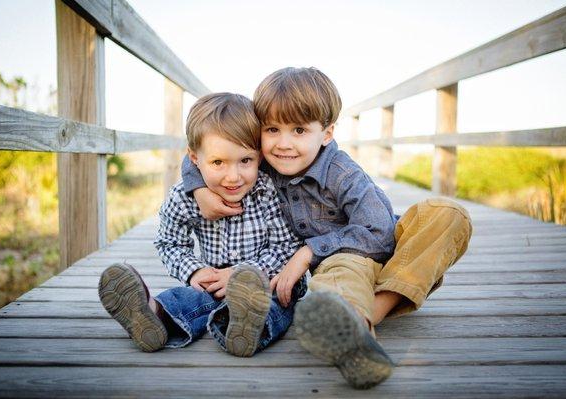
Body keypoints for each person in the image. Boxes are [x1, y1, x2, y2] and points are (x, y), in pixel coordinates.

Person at [180, 67, 473, 389]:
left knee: (446, 213)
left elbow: (379, 231)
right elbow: (208, 146)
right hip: (344, 261)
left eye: (300, 130)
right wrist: (199, 189)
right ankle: (358, 338)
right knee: (343, 270)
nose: (283, 143)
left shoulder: (343, 173)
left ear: (327, 133)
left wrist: (307, 252)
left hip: (390, 249)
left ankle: (367, 313)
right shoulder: (263, 162)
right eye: (272, 129)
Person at [98, 92, 304, 357]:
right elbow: (169, 242)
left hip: (270, 279)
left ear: (259, 157)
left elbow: (286, 246)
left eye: (245, 161)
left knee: (277, 301)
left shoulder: (267, 191)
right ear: (194, 158)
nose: (234, 176)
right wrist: (194, 272)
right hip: (214, 281)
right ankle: (152, 315)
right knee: (191, 297)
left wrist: (244, 272)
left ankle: (247, 327)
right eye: (218, 162)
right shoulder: (184, 196)